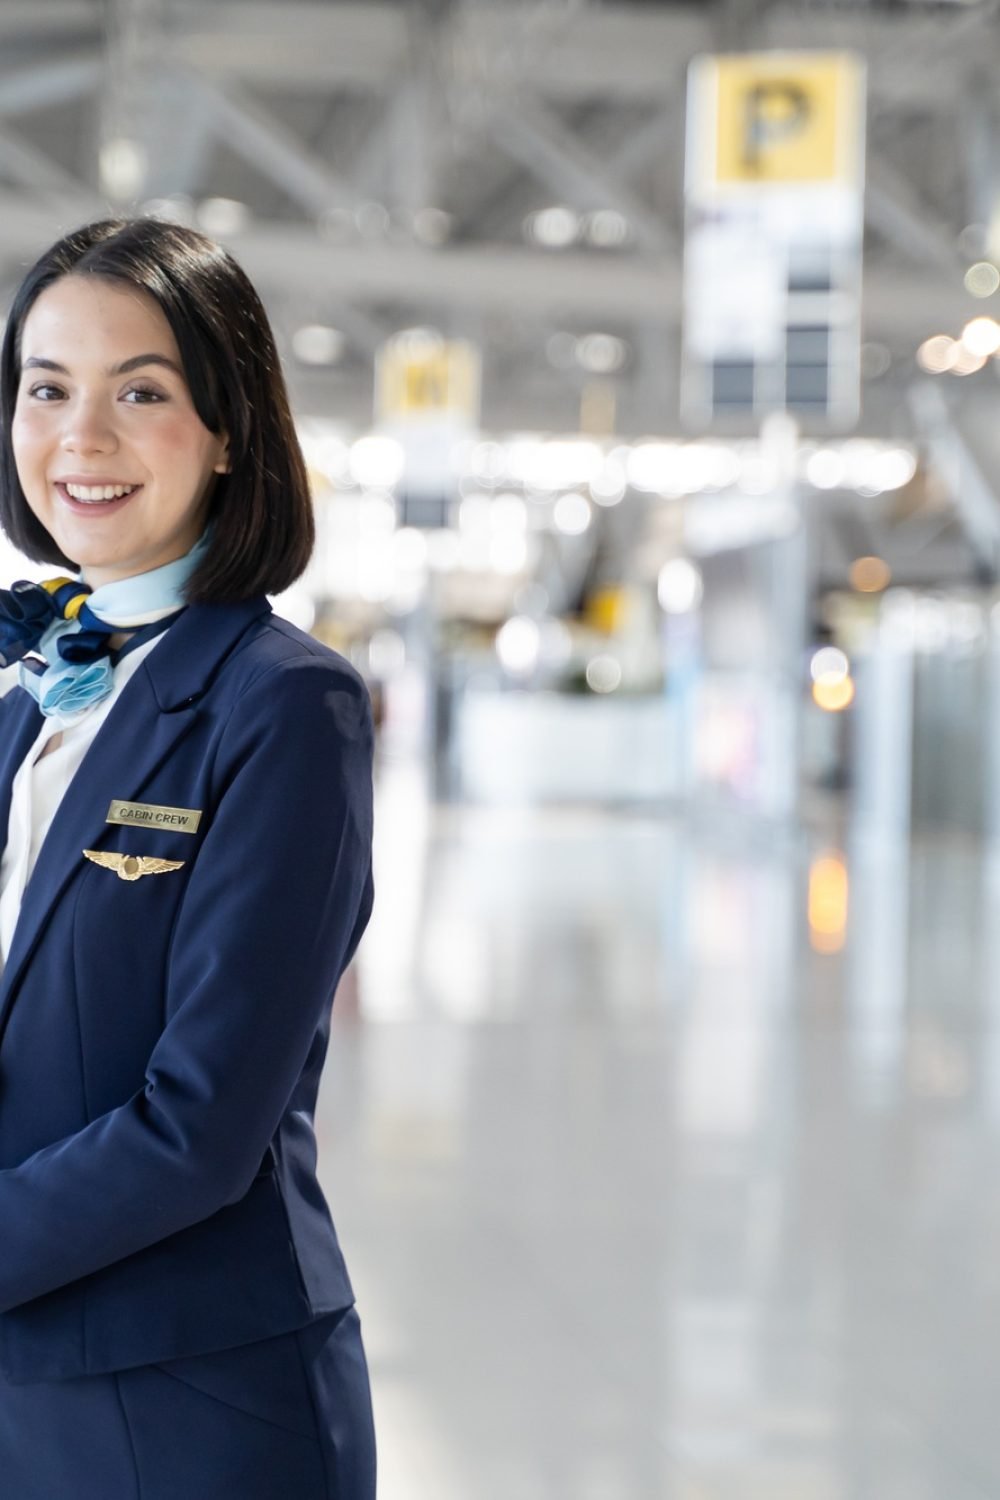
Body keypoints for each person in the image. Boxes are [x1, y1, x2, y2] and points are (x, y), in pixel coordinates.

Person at [0, 217, 377, 1498]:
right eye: (46, 388)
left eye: (140, 392)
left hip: (190, 1405)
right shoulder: (26, 700)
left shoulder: (282, 705)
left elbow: (201, 1124)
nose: (80, 438)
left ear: (227, 432)